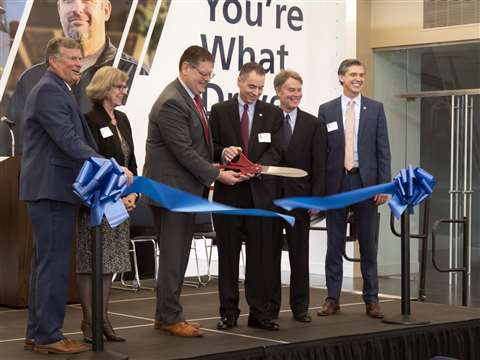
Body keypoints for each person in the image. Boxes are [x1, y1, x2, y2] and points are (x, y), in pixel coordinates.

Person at [143, 45, 241, 337]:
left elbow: (197, 144)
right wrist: (217, 175)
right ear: (186, 67)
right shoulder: (173, 102)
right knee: (174, 258)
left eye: (210, 75)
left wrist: (220, 154)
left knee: (177, 257)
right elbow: (184, 151)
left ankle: (165, 315)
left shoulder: (190, 99)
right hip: (172, 193)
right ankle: (171, 317)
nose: (206, 80)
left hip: (182, 192)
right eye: (203, 74)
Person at [19, 37, 98, 354]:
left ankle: (37, 333)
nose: (79, 62)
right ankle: (49, 336)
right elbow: (68, 140)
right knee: (52, 266)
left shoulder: (58, 89)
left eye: (81, 58)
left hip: (51, 188)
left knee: (45, 264)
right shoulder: (50, 90)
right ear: (53, 60)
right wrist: (104, 163)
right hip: (51, 189)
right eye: (72, 58)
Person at [6, 0, 147, 155]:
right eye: (68, 1)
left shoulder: (134, 74)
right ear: (59, 9)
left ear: (106, 10)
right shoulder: (31, 79)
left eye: (88, 1)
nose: (77, 8)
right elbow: (13, 147)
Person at [209, 62, 284, 331]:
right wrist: (222, 153)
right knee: (228, 257)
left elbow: (277, 150)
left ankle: (259, 313)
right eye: (251, 86)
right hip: (229, 194)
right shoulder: (219, 111)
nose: (256, 92)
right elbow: (210, 147)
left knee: (260, 258)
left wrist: (258, 169)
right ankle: (228, 312)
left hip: (260, 195)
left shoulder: (272, 113)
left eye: (260, 88)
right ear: (239, 82)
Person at [317, 58, 391, 319]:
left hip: (366, 184)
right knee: (334, 243)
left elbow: (383, 150)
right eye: (352, 74)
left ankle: (371, 299)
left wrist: (384, 185)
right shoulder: (326, 110)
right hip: (336, 184)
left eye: (361, 74)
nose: (358, 79)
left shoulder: (376, 109)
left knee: (368, 244)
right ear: (341, 77)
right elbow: (321, 152)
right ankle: (332, 298)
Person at [76, 66, 138, 343]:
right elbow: (93, 163)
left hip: (122, 203)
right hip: (97, 202)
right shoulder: (89, 120)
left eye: (124, 87)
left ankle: (103, 319)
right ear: (104, 89)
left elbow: (131, 162)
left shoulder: (122, 119)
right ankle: (90, 322)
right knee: (92, 262)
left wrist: (133, 194)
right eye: (119, 87)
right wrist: (117, 194)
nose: (124, 91)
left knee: (110, 262)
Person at [269, 69, 327, 323]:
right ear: (279, 91)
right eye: (291, 90)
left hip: (300, 200)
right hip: (270, 199)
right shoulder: (267, 120)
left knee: (299, 256)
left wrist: (316, 199)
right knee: (269, 256)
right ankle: (269, 308)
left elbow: (320, 164)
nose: (296, 95)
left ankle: (300, 307)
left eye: (299, 90)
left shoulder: (313, 124)